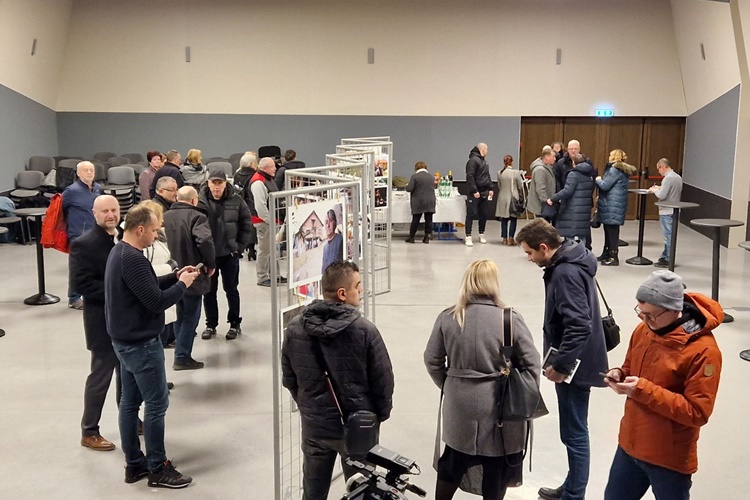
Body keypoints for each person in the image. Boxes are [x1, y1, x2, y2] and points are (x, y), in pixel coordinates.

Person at [424, 260, 541, 500]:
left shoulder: (449, 317)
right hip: (498, 405)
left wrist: (449, 384)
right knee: (496, 466)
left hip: (459, 403)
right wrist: (520, 394)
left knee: (453, 460)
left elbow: (432, 360)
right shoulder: (510, 319)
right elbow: (532, 363)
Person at [603, 271, 722, 500]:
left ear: (674, 310)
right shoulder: (644, 330)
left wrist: (642, 390)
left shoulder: (704, 351)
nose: (645, 320)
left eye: (651, 315)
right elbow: (630, 366)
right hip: (630, 445)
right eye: (641, 312)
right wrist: (620, 373)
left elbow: (697, 412)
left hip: (669, 457)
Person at [281, 261, 394, 500]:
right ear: (343, 293)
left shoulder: (295, 328)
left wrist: (308, 406)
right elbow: (383, 382)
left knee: (313, 492)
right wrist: (377, 418)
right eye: (358, 285)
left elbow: (289, 378)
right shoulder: (365, 331)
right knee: (362, 492)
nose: (361, 290)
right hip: (358, 428)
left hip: (315, 426)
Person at [104, 204, 199, 488]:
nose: (157, 235)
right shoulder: (133, 258)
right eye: (155, 230)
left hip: (124, 342)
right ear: (140, 229)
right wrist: (183, 285)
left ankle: (134, 464)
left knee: (129, 403)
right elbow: (157, 301)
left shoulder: (119, 252)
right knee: (157, 404)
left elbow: (145, 285)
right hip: (141, 345)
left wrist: (175, 276)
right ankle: (158, 468)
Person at [515, 219, 608, 500]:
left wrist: (561, 366)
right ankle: (571, 486)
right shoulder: (573, 259)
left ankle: (574, 494)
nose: (529, 259)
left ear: (544, 247)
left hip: (574, 366)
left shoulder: (565, 272)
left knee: (574, 432)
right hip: (580, 359)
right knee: (572, 429)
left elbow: (578, 325)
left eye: (530, 252)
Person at [69, 195, 122, 452]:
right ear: (94, 213)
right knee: (101, 376)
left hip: (125, 321)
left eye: (114, 210)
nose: (110, 215)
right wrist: (120, 290)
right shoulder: (84, 244)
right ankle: (89, 431)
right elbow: (82, 285)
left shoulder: (123, 237)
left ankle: (130, 419)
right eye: (105, 211)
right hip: (100, 322)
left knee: (127, 375)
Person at [164, 186, 216, 362]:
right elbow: (204, 241)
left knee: (179, 314)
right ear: (194, 200)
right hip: (192, 273)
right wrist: (210, 263)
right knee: (190, 316)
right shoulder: (197, 217)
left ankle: (179, 350)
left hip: (170, 273)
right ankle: (182, 356)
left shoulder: (165, 216)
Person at [198, 169, 252, 339]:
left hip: (229, 254)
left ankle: (234, 323)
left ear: (225, 183)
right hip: (208, 256)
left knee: (231, 290)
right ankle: (211, 324)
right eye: (213, 183)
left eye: (219, 183)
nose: (216, 187)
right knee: (209, 291)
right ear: (208, 183)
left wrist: (239, 247)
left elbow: (246, 223)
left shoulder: (236, 200)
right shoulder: (200, 202)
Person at [63, 160, 104, 309]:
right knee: (78, 267)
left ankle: (91, 294)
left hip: (96, 233)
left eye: (91, 170)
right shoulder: (71, 191)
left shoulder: (98, 188)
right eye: (85, 170)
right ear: (78, 173)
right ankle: (73, 298)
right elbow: (62, 210)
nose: (89, 173)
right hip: (78, 235)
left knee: (96, 265)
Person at [140, 200, 179, 354]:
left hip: (163, 288)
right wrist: (170, 267)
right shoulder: (145, 245)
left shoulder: (160, 237)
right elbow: (145, 270)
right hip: (154, 293)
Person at [595, 150, 637, 266]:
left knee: (611, 232)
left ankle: (613, 257)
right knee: (610, 230)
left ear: (614, 157)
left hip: (611, 204)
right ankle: (607, 253)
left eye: (610, 155)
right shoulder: (622, 170)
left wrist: (598, 179)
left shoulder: (614, 170)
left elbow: (605, 185)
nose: (609, 157)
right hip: (615, 203)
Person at [548, 153, 596, 250]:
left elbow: (567, 191)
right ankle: (583, 254)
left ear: (574, 162)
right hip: (585, 208)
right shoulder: (590, 174)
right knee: (582, 235)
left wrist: (553, 198)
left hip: (572, 208)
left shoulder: (573, 174)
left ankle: (572, 255)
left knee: (570, 234)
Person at [250, 157, 281, 287]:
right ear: (265, 168)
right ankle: (262, 277)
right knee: (265, 250)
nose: (275, 168)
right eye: (273, 166)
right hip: (264, 222)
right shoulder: (258, 182)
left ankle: (275, 275)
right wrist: (270, 221)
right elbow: (260, 207)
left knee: (273, 249)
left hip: (270, 221)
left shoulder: (266, 179)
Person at [647, 158, 683, 268]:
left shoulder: (667, 179)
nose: (659, 172)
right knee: (670, 235)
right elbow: (670, 191)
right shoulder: (677, 177)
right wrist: (660, 188)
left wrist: (654, 190)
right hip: (675, 209)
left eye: (659, 169)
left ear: (662, 167)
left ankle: (668, 259)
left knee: (668, 237)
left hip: (666, 210)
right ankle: (665, 256)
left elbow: (662, 195)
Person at [232, 151, 258, 260]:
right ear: (251, 164)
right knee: (250, 226)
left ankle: (239, 249)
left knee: (239, 225)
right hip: (251, 203)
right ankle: (251, 249)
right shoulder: (255, 175)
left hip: (238, 202)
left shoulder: (237, 174)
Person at [464, 142, 492, 246]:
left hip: (485, 192)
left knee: (483, 214)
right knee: (471, 214)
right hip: (475, 193)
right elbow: (470, 176)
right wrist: (474, 190)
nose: (487, 151)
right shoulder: (473, 161)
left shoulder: (484, 162)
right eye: (487, 149)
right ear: (482, 149)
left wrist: (491, 188)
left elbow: (487, 176)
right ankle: (468, 236)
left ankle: (481, 234)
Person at [495, 154, 525, 246]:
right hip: (513, 198)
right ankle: (511, 238)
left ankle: (504, 238)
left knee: (504, 219)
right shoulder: (516, 173)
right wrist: (521, 196)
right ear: (512, 162)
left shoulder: (499, 173)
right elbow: (520, 186)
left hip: (502, 198)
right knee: (513, 219)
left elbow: (499, 186)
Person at [405, 161, 436, 244]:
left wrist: (406, 185)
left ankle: (411, 237)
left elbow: (409, 188)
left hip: (418, 201)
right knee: (429, 219)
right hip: (430, 200)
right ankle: (427, 238)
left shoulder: (415, 176)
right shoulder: (431, 176)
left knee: (416, 219)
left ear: (416, 168)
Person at [527, 147, 557, 222]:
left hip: (544, 205)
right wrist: (546, 201)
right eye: (553, 156)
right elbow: (540, 188)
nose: (555, 159)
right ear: (547, 157)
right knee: (542, 227)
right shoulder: (540, 170)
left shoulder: (547, 167)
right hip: (541, 206)